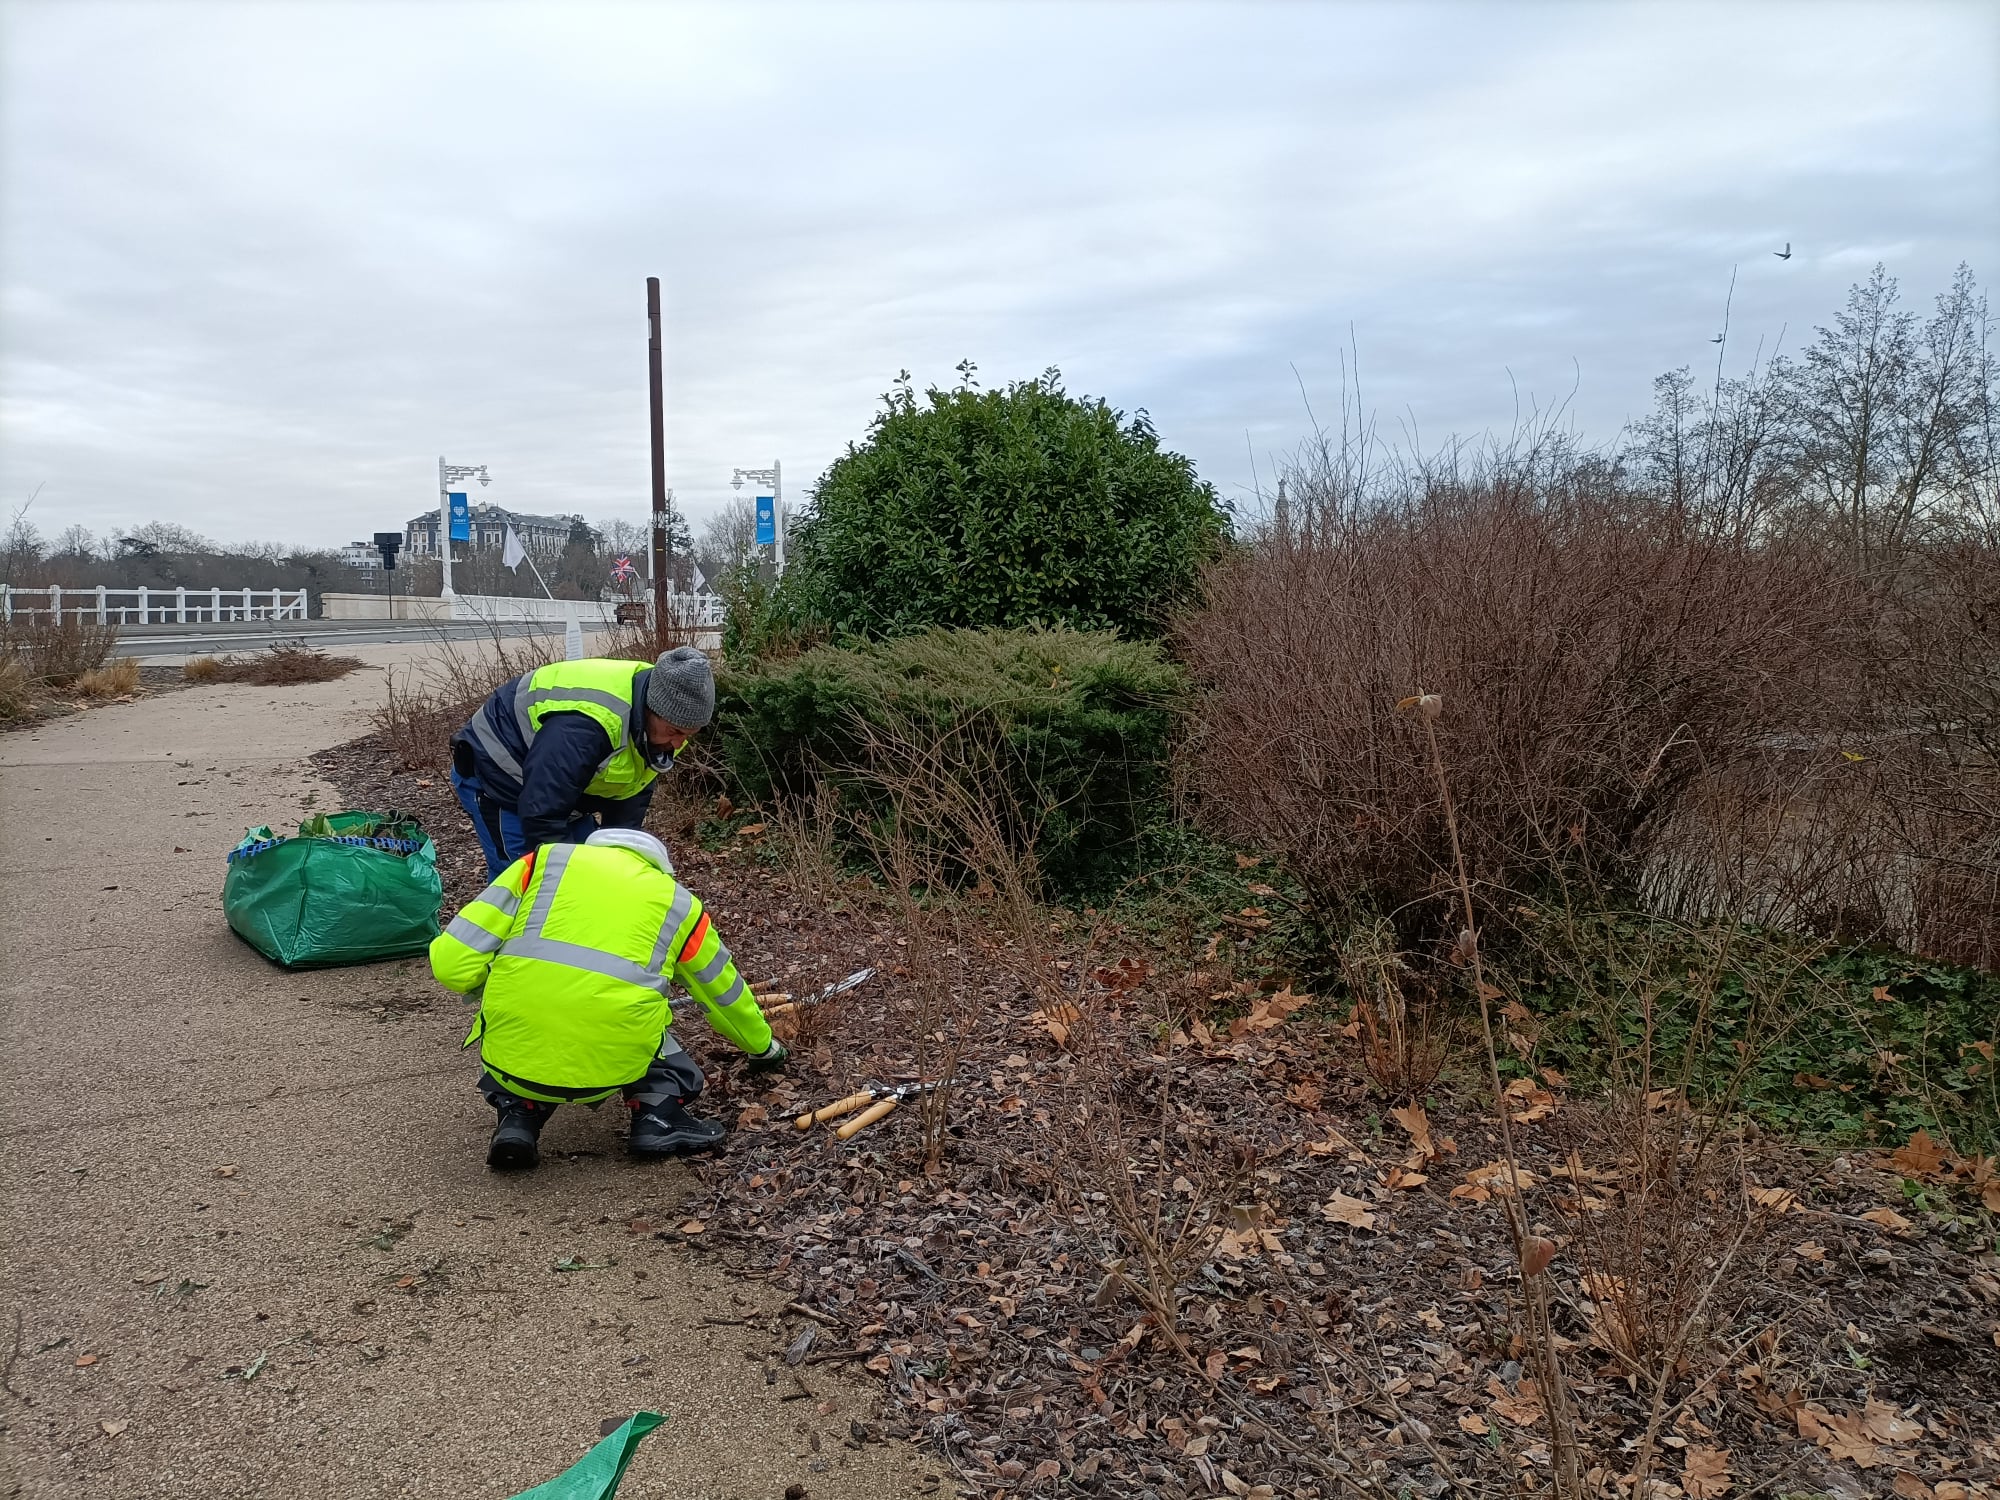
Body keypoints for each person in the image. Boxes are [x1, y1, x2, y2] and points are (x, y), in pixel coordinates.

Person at [429, 826, 787, 1169]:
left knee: (517, 1016)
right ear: (660, 868)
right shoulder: (679, 904)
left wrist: (493, 985)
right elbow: (723, 994)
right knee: (648, 1021)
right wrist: (764, 1047)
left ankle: (518, 1116)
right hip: (617, 1063)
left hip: (511, 1065)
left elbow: (451, 964)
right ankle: (655, 1117)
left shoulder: (541, 864)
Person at [450, 647, 713, 881]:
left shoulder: (664, 725)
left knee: (595, 869)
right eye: (675, 732)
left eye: (689, 735)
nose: (679, 745)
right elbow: (542, 814)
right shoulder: (585, 728)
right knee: (524, 882)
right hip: (498, 772)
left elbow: (632, 791)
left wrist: (620, 862)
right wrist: (567, 880)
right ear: (650, 710)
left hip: (558, 787)